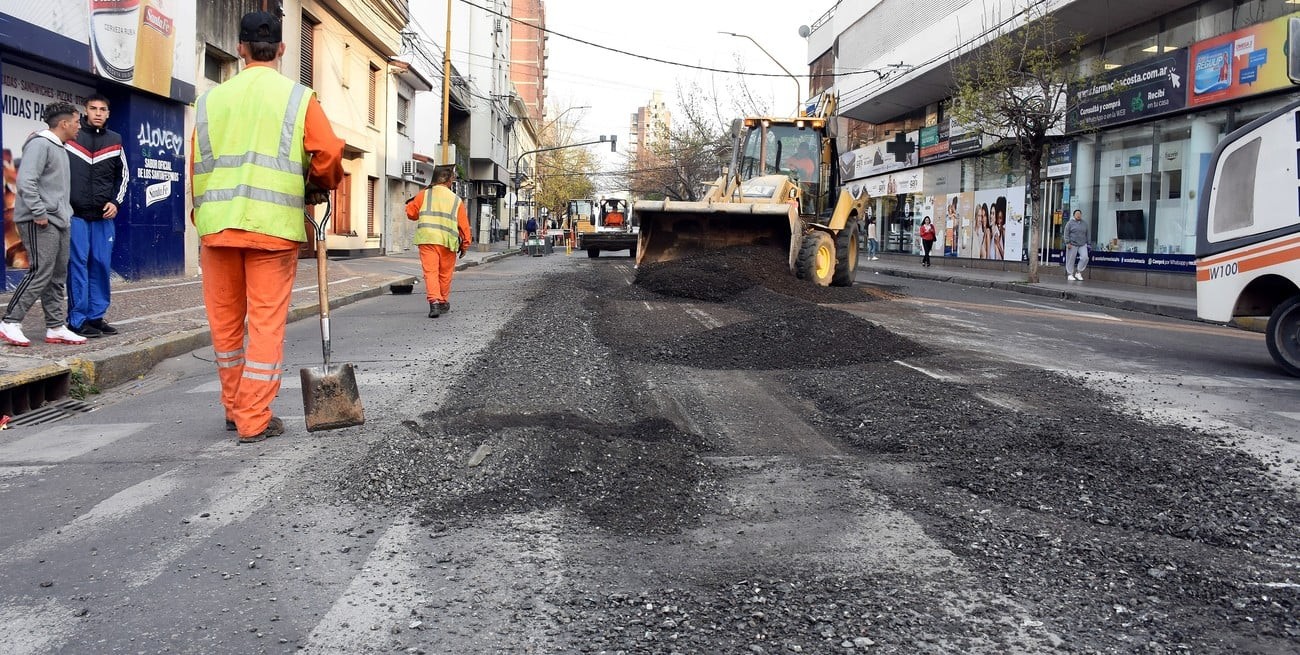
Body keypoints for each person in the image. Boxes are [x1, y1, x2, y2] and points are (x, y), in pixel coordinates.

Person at [191, 11, 345, 443]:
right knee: (264, 325)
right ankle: (254, 418)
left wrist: (202, 219)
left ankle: (233, 408)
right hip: (272, 231)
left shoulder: (209, 101)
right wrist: (316, 183)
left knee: (225, 327)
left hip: (217, 229)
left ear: (239, 50)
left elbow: (196, 168)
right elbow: (329, 151)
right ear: (280, 50)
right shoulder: (297, 98)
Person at [0, 102, 88, 347]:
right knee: (40, 271)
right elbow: (26, 182)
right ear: (63, 124)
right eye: (76, 121)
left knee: (57, 274)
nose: (79, 126)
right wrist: (39, 212)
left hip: (59, 219)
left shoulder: (59, 147)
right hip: (40, 219)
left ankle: (55, 327)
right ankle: (10, 321)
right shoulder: (40, 144)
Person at [65, 93, 128, 338]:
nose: (98, 113)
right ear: (86, 111)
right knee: (78, 266)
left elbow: (123, 176)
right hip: (76, 216)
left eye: (103, 109)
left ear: (108, 113)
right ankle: (77, 320)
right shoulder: (72, 137)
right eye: (93, 108)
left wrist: (116, 202)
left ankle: (96, 317)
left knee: (101, 265)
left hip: (104, 218)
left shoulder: (116, 140)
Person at [405, 165, 471, 319]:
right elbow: (463, 225)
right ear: (448, 181)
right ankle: (442, 301)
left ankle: (434, 302)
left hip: (427, 239)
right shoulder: (456, 200)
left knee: (431, 272)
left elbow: (411, 214)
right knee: (445, 274)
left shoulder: (423, 195)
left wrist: (411, 203)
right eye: (452, 179)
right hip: (448, 242)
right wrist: (465, 244)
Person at [1063, 209, 1090, 281]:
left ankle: (1078, 272)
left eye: (1079, 214)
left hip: (1082, 244)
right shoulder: (1069, 223)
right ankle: (1070, 274)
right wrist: (1067, 242)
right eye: (1077, 214)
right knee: (1071, 259)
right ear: (1074, 215)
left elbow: (1087, 234)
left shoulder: (1084, 223)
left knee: (1085, 258)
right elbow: (1066, 233)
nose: (1078, 215)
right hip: (1072, 244)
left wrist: (1088, 243)